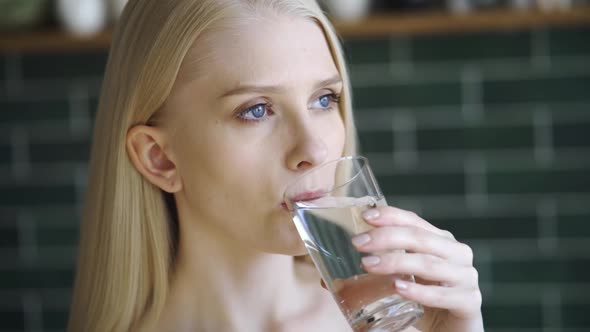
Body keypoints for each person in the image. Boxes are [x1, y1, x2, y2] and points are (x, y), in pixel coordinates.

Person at [68, 0, 484, 331]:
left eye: (324, 100)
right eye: (256, 110)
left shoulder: (395, 321)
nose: (315, 150)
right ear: (159, 158)